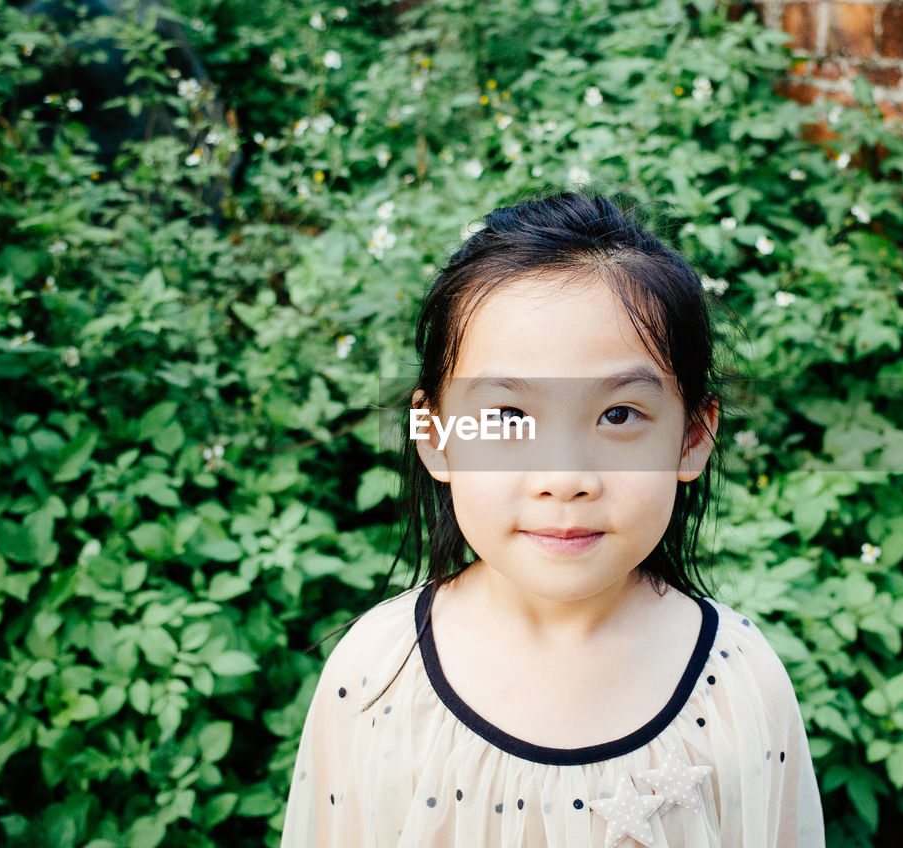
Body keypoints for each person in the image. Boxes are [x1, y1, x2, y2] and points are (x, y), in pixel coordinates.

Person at [280, 192, 825, 847]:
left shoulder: (738, 683)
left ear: (692, 436)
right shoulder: (375, 677)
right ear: (435, 434)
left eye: (618, 415)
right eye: (509, 418)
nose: (564, 478)